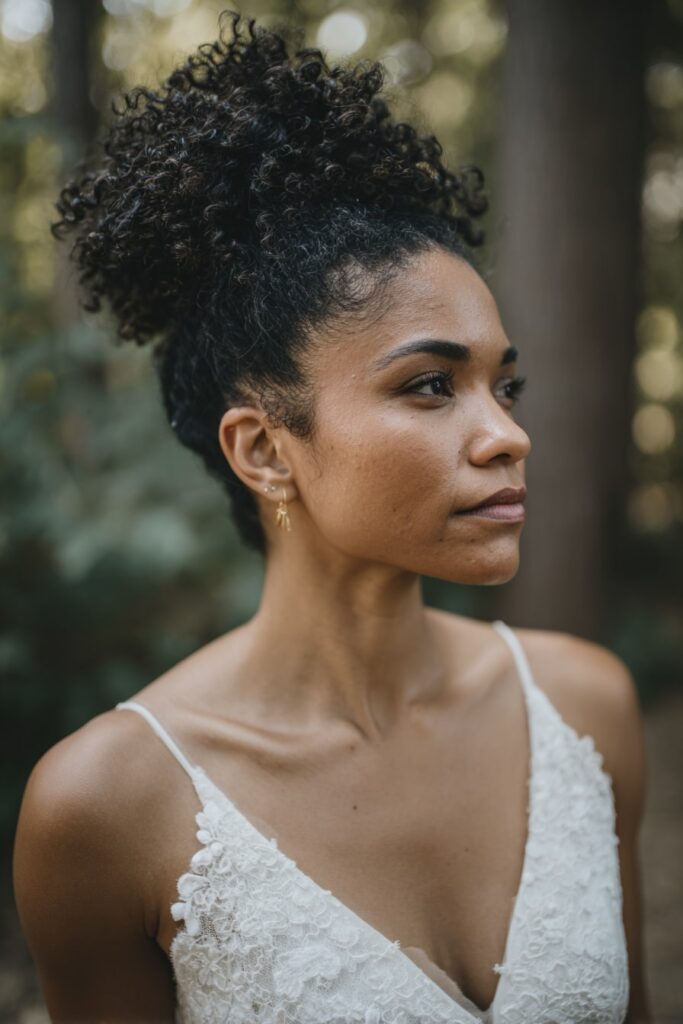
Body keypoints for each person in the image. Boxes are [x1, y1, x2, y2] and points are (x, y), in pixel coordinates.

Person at [12, 9, 650, 1024]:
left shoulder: (586, 707)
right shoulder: (106, 807)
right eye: (431, 387)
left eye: (503, 384)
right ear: (263, 448)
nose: (505, 434)